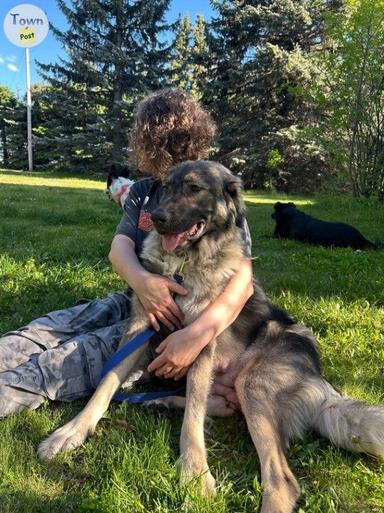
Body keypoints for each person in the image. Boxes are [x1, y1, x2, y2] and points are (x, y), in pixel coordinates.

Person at [0, 88, 253, 418]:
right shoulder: (143, 191)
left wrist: (195, 335)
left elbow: (243, 279)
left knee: (70, 359)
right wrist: (144, 284)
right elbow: (119, 248)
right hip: (132, 297)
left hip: (173, 319)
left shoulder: (215, 189)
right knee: (45, 330)